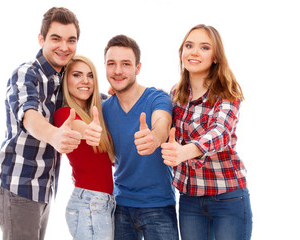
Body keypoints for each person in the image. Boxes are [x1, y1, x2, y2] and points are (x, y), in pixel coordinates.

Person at [0, 7, 82, 240]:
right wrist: (54, 136)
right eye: (56, 38)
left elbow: (88, 97)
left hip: (43, 188)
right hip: (18, 185)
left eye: (71, 40)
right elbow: (29, 115)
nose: (64, 47)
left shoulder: (63, 78)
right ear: (41, 39)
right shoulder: (26, 73)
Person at [161, 24, 252, 240]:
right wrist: (123, 93)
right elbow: (155, 115)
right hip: (190, 200)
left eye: (204, 47)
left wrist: (185, 152)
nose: (193, 52)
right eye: (189, 45)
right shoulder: (175, 93)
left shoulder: (227, 92)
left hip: (228, 198)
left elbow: (220, 133)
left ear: (216, 57)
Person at [102, 35, 179, 240]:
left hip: (158, 206)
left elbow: (162, 123)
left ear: (138, 68)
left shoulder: (157, 97)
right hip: (120, 206)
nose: (118, 71)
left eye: (126, 64)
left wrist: (154, 138)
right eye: (112, 64)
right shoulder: (103, 109)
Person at [53, 55, 116, 240]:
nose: (85, 81)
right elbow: (78, 127)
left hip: (103, 203)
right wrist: (89, 130)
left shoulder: (96, 113)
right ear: (66, 81)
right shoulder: (65, 114)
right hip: (89, 204)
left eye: (90, 76)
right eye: (77, 75)